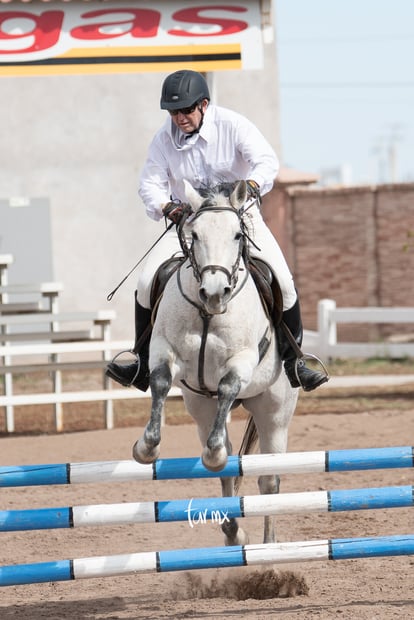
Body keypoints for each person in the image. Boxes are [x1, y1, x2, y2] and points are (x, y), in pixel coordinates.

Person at [106, 69, 328, 393]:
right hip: (190, 221)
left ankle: (296, 362)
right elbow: (149, 185)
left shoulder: (232, 125)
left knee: (284, 280)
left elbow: (266, 161)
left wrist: (251, 184)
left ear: (204, 105)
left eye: (185, 110)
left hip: (240, 217)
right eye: (173, 111)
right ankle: (141, 363)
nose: (178, 117)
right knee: (144, 282)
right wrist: (168, 207)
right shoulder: (162, 139)